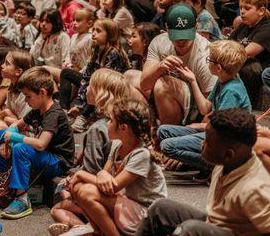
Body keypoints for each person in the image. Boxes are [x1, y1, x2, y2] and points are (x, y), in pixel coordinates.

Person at [135, 108, 270, 236]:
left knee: (190, 230)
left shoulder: (253, 190)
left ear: (228, 154)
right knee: (160, 208)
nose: (202, 144)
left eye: (208, 143)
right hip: (214, 223)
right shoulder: (228, 162)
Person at [0, 67, 75, 220]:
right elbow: (16, 126)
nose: (25, 100)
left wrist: (14, 138)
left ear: (43, 93)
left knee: (20, 148)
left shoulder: (54, 114)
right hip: (44, 155)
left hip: (58, 161)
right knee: (1, 134)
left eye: (28, 96)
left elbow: (41, 144)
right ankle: (2, 177)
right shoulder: (38, 109)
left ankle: (22, 199)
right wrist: (7, 138)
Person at [49, 69, 133, 236]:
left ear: (101, 94)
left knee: (58, 206)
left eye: (90, 86)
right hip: (127, 195)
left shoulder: (98, 129)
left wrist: (73, 179)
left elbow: (92, 170)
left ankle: (83, 227)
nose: (85, 89)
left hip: (106, 193)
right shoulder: (126, 123)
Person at [67, 98, 167, 236]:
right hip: (128, 204)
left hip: (147, 215)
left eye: (111, 121)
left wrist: (80, 174)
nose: (107, 124)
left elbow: (113, 187)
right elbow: (104, 177)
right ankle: (99, 231)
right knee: (78, 187)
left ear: (123, 128)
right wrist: (102, 173)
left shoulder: (142, 154)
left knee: (87, 191)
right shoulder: (117, 146)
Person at [158, 40, 251, 181]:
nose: (207, 62)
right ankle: (199, 162)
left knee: (167, 146)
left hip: (225, 139)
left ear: (218, 67)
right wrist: (192, 80)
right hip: (215, 131)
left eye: (210, 60)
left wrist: (201, 126)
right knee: (163, 130)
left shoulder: (231, 91)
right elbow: (205, 108)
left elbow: (222, 129)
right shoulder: (222, 80)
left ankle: (212, 165)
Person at [139, 3, 217, 125]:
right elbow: (144, 85)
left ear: (196, 28)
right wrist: (160, 67)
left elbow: (210, 106)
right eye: (176, 36)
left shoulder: (206, 53)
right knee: (129, 77)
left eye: (185, 35)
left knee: (162, 85)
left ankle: (168, 133)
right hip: (165, 98)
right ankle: (149, 128)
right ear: (167, 28)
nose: (181, 41)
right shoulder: (159, 41)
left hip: (197, 106)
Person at [228, 0, 270, 107]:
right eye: (241, 7)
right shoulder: (243, 25)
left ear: (261, 11)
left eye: (247, 8)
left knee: (238, 64)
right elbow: (225, 45)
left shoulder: (267, 27)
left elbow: (246, 53)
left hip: (260, 69)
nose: (242, 12)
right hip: (244, 64)